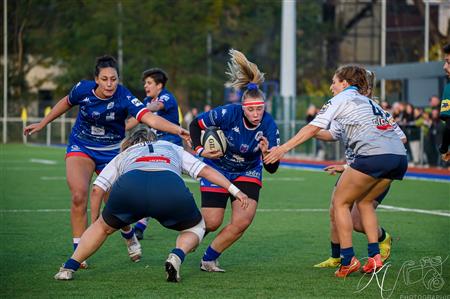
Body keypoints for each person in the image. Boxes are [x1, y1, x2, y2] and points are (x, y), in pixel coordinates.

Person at [24, 56, 189, 268]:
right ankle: (79, 251)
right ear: (96, 79)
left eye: (113, 79)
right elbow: (66, 102)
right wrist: (43, 123)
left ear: (118, 79)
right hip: (81, 145)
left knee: (115, 202)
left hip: (111, 151)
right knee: (78, 195)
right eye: (104, 79)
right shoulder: (82, 89)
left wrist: (178, 129)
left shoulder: (124, 96)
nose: (110, 84)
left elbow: (149, 118)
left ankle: (128, 234)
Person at [265, 65, 407, 278]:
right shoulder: (369, 103)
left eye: (334, 81)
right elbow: (325, 132)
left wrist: (282, 148)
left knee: (340, 203)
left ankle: (347, 260)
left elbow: (313, 128)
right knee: (365, 203)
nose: (331, 87)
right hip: (399, 158)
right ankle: (374, 258)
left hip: (372, 158)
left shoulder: (342, 99)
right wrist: (310, 129)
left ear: (345, 83)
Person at [53, 129, 249, 282]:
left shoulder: (125, 153)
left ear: (130, 143)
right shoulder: (171, 147)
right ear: (154, 138)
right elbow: (206, 170)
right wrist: (235, 190)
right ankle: (176, 255)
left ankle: (68, 268)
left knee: (102, 228)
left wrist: (95, 224)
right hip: (168, 187)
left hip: (131, 186)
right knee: (197, 227)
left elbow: (97, 189)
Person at [189, 49, 280, 272]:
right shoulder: (229, 113)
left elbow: (272, 169)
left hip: (247, 170)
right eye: (252, 109)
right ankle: (187, 238)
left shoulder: (269, 125)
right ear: (243, 107)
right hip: (218, 167)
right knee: (212, 222)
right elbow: (195, 125)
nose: (257, 113)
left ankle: (208, 259)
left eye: (260, 108)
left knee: (242, 221)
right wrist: (200, 150)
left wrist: (267, 154)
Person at [313, 70, 408, 268]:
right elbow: (331, 134)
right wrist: (313, 129)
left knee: (356, 218)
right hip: (358, 167)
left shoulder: (375, 110)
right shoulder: (347, 108)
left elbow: (401, 137)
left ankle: (377, 242)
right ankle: (338, 256)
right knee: (335, 208)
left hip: (371, 166)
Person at [126, 68, 183, 240]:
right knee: (150, 186)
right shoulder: (146, 100)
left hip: (171, 147)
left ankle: (188, 219)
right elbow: (134, 121)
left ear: (159, 85)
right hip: (154, 147)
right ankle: (141, 225)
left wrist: (142, 109)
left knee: (165, 188)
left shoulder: (166, 97)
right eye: (145, 83)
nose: (145, 86)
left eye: (149, 83)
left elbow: (155, 107)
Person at [439, 44, 450, 162]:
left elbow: (448, 127)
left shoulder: (449, 88)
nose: (444, 67)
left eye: (448, 62)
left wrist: (444, 148)